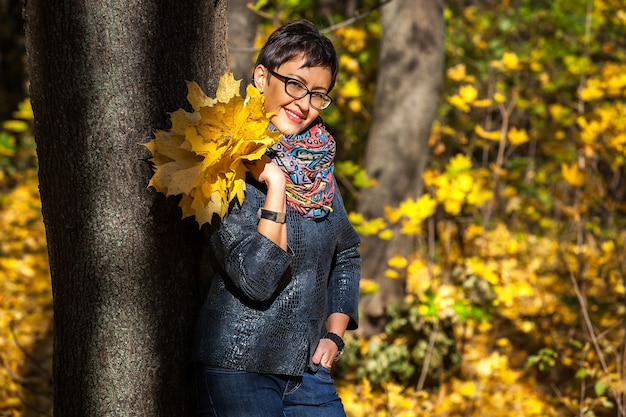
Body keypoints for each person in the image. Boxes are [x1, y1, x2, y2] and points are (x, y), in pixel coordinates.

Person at [191, 19, 362, 417]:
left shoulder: (317, 169)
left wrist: (334, 338)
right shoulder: (223, 160)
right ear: (262, 76)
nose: (304, 104)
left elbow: (347, 252)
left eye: (318, 95)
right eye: (296, 85)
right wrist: (276, 186)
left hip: (310, 374)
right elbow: (257, 279)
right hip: (237, 367)